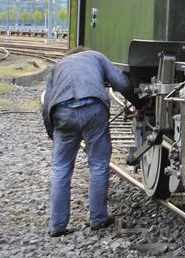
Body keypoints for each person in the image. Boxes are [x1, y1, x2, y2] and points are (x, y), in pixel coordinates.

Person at [41, 46, 142, 237]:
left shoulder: (58, 66)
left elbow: (47, 103)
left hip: (62, 112)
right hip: (93, 109)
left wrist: (51, 132)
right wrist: (139, 104)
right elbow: (122, 84)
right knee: (98, 165)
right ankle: (98, 219)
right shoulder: (96, 56)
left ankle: (57, 226)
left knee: (61, 168)